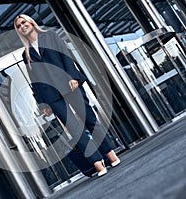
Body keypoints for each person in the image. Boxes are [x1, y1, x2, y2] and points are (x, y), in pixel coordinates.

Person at [14, 14, 120, 176]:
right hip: (52, 96)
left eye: (23, 22)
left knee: (90, 120)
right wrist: (43, 104)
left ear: (31, 22)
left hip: (70, 85)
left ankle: (110, 155)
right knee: (75, 130)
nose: (22, 26)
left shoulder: (50, 36)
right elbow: (34, 81)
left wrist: (73, 77)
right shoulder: (26, 55)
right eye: (19, 26)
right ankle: (98, 164)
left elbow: (65, 56)